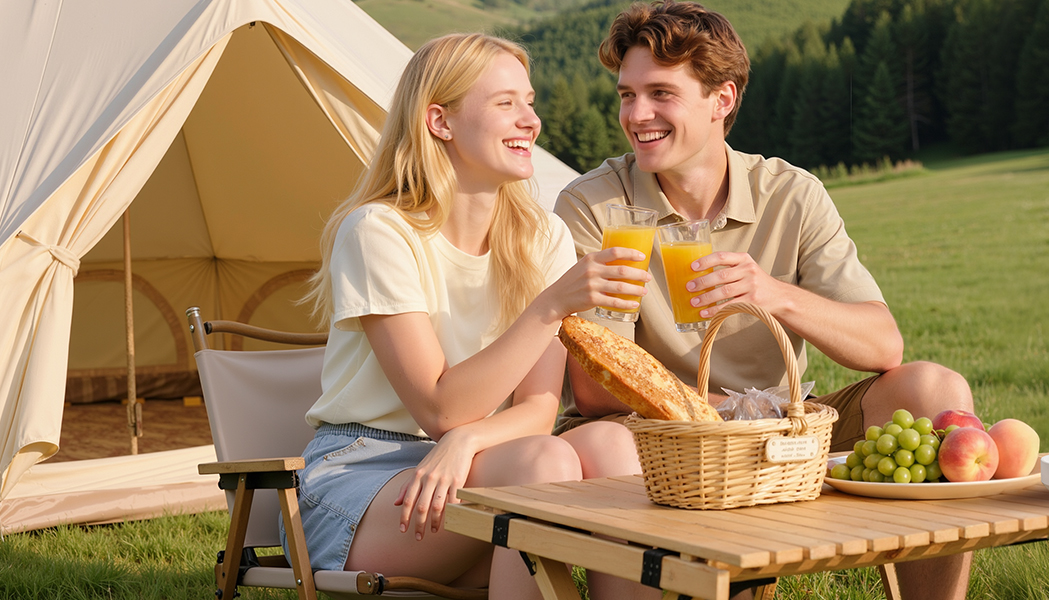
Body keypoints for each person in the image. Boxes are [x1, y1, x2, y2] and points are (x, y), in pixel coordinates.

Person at [553, 2, 977, 598]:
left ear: (722, 99)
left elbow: (883, 344)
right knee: (606, 443)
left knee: (935, 390)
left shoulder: (791, 194)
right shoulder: (597, 206)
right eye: (626, 95)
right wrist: (722, 418)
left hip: (782, 429)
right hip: (652, 435)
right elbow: (597, 389)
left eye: (660, 93)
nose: (636, 115)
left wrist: (774, 293)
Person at [297, 33, 657, 598]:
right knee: (541, 464)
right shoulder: (378, 231)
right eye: (504, 103)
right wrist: (551, 305)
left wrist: (467, 443)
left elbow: (539, 409)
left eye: (530, 102)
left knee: (613, 446)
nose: (530, 121)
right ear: (440, 121)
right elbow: (440, 408)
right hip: (367, 474)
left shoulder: (543, 237)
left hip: (483, 460)